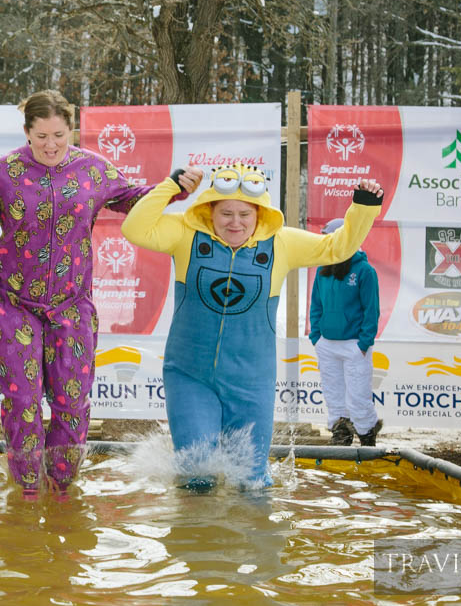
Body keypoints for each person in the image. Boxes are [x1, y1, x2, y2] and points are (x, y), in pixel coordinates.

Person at [0, 89, 193, 498]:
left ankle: (62, 489)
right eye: (41, 136)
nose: (50, 144)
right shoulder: (4, 171)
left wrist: (173, 187)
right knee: (23, 400)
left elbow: (133, 199)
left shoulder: (93, 170)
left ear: (71, 129)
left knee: (71, 404)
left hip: (70, 305)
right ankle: (25, 488)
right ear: (27, 133)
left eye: (58, 134)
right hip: (11, 300)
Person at [121, 163, 383, 488]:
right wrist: (171, 187)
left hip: (251, 385)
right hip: (190, 377)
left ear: (260, 213)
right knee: (196, 475)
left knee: (251, 483)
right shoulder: (186, 236)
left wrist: (362, 208)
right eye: (226, 213)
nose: (236, 222)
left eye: (245, 214)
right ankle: (191, 537)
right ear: (209, 211)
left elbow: (337, 247)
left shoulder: (281, 243)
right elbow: (135, 229)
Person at [309, 217, 381, 446]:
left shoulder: (364, 270)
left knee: (359, 393)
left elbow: (372, 310)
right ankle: (341, 433)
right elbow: (316, 305)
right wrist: (316, 337)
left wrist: (364, 342)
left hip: (354, 344)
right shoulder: (324, 269)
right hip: (327, 343)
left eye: (331, 238)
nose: (327, 242)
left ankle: (367, 433)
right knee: (333, 392)